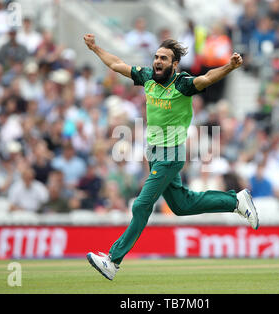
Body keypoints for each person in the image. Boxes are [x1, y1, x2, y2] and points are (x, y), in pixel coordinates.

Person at [83, 33, 259, 280]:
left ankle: (113, 260)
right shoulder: (147, 77)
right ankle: (236, 202)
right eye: (156, 57)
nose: (157, 61)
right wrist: (94, 48)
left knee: (142, 204)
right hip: (154, 154)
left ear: (174, 64)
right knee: (181, 205)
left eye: (163, 58)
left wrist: (229, 66)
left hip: (171, 154)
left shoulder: (183, 84)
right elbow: (116, 64)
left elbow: (207, 78)